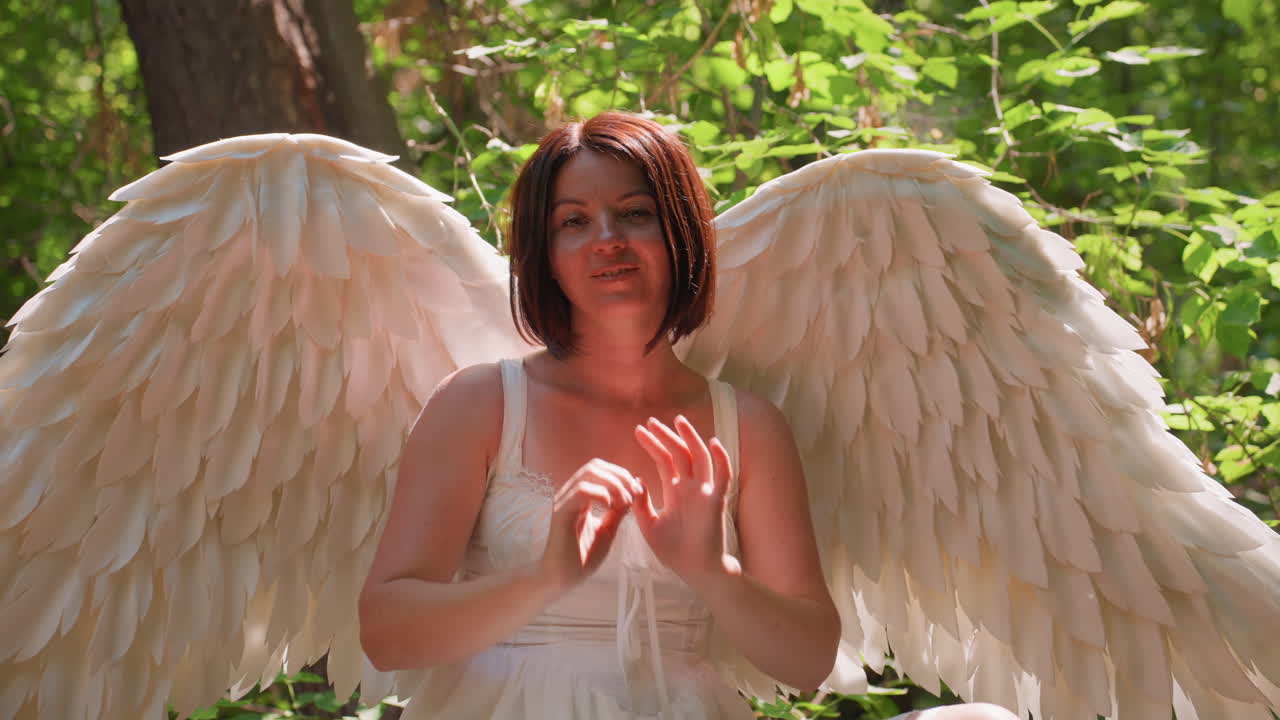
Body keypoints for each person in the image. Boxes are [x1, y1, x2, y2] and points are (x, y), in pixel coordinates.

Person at [357, 112, 1017, 720]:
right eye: (573, 222)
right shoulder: (480, 404)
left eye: (635, 213)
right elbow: (386, 633)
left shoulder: (748, 426)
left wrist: (712, 569)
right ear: (546, 257)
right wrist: (545, 578)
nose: (607, 240)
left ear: (678, 232)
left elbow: (807, 657)